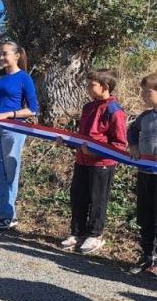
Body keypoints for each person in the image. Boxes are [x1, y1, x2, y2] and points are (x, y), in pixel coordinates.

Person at [57, 69, 127, 254]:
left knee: (98, 200)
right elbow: (83, 136)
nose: (87, 87)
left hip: (101, 164)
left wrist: (96, 153)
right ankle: (77, 232)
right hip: (81, 161)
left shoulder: (115, 110)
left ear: (105, 87)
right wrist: (68, 142)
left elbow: (119, 144)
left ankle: (95, 235)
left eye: (91, 84)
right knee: (78, 197)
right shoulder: (88, 107)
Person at [0, 41, 38, 230]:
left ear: (16, 56)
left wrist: (9, 114)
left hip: (13, 129)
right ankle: (3, 213)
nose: (1, 57)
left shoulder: (24, 78)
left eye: (5, 54)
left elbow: (33, 109)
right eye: (0, 54)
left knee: (10, 172)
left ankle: (10, 216)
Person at [127, 73, 157, 277]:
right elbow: (131, 131)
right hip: (145, 173)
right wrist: (134, 145)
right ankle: (147, 255)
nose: (143, 95)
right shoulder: (144, 117)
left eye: (147, 91)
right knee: (145, 215)